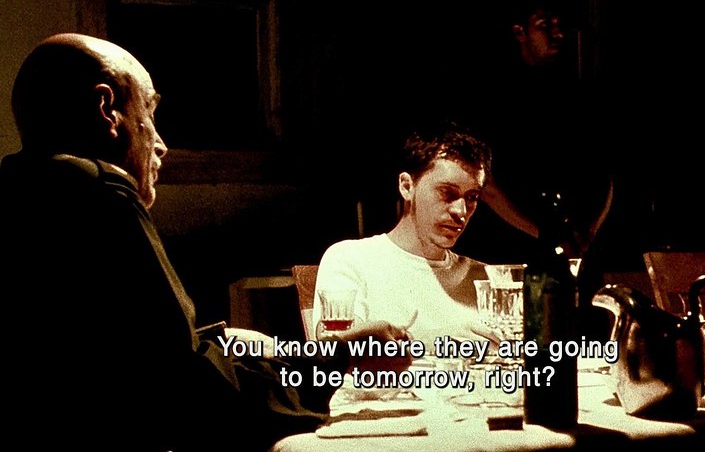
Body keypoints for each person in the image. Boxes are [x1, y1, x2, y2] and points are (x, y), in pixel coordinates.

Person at [0, 33, 410, 452]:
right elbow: (190, 388)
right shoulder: (99, 190)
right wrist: (336, 362)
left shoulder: (20, 188)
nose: (161, 144)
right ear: (108, 110)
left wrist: (239, 344)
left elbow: (130, 351)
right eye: (149, 111)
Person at [312, 122, 500, 347]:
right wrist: (438, 342)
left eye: (472, 197)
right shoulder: (351, 259)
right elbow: (336, 351)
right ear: (407, 186)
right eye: (447, 193)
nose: (460, 211)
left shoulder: (487, 278)